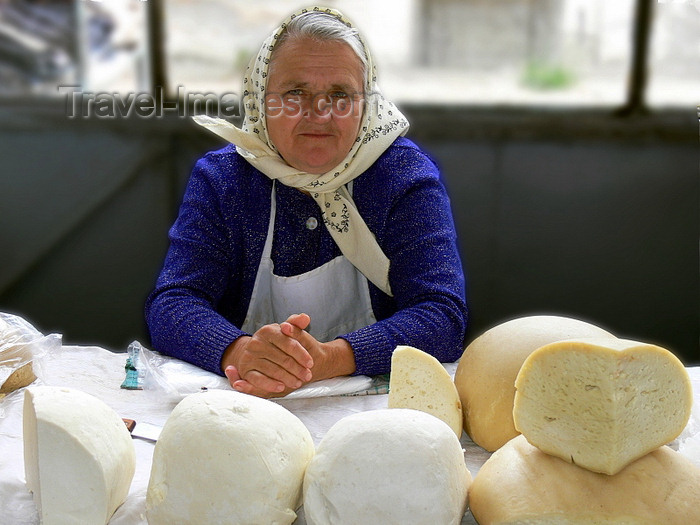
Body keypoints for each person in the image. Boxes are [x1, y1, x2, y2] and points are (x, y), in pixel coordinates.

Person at [145, 6, 468, 398]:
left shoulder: (403, 177)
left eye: (340, 95)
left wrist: (329, 359)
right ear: (262, 100)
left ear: (366, 104)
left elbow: (442, 315)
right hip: (244, 398)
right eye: (296, 92)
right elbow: (173, 303)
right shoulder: (224, 179)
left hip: (373, 409)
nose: (319, 114)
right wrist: (241, 351)